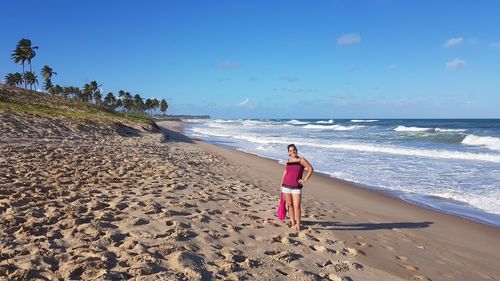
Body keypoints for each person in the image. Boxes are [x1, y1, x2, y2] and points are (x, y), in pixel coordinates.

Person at [280, 144, 313, 231]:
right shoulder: (288, 160)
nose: (292, 151)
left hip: (296, 187)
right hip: (286, 185)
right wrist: (281, 184)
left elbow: (310, 168)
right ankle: (292, 222)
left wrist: (304, 180)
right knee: (290, 205)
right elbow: (285, 172)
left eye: (294, 150)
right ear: (288, 152)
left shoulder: (301, 160)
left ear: (296, 150)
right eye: (290, 151)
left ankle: (298, 224)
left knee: (297, 205)